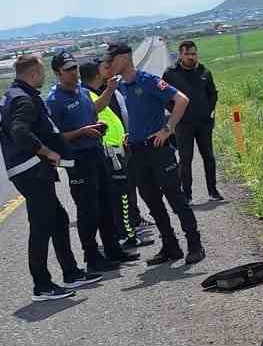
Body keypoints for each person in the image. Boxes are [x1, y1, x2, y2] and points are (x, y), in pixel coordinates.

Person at [0, 54, 102, 301]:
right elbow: (20, 131)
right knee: (42, 226)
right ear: (33, 74)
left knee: (58, 219)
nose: (43, 77)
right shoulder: (23, 99)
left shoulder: (14, 94)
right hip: (31, 170)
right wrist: (47, 152)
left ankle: (71, 272)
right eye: (42, 72)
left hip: (31, 170)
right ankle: (42, 285)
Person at [107, 42, 206, 267]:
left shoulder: (148, 80)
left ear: (124, 58)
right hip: (137, 152)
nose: (109, 64)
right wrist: (129, 134)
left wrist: (168, 128)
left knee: (175, 199)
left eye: (112, 59)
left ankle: (195, 244)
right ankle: (170, 246)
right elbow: (133, 113)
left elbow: (181, 100)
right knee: (152, 201)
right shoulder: (120, 86)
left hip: (157, 149)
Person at [45, 51, 139, 273]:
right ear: (58, 73)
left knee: (106, 203)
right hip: (78, 159)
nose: (74, 72)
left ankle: (112, 249)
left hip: (97, 153)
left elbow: (96, 110)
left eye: (75, 68)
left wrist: (109, 91)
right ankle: (91, 255)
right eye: (68, 69)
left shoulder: (83, 92)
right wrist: (82, 132)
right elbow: (54, 137)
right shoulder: (54, 101)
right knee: (88, 209)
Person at [80, 58, 149, 251]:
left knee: (121, 196)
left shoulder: (93, 94)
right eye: (104, 68)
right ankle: (127, 236)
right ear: (97, 74)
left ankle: (124, 233)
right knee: (121, 197)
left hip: (116, 150)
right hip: (110, 152)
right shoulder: (91, 96)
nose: (108, 70)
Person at [163, 39, 222, 201]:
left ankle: (213, 191)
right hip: (183, 124)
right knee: (185, 159)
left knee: (209, 157)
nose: (191, 57)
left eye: (194, 54)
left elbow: (213, 94)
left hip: (203, 123)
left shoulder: (204, 72)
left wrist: (207, 110)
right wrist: (176, 113)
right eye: (187, 54)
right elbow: (164, 97)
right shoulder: (170, 73)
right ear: (180, 54)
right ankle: (187, 195)